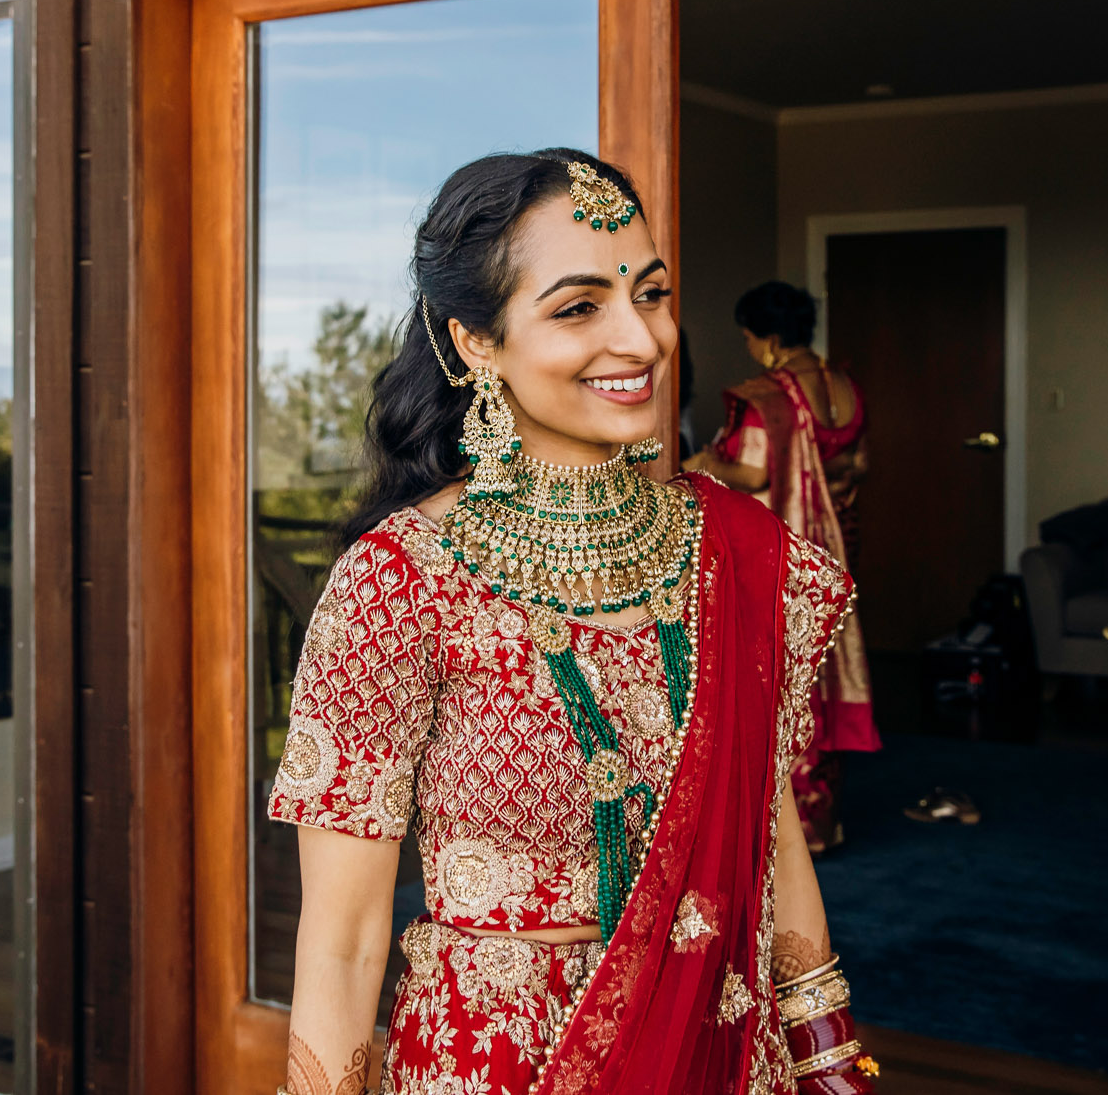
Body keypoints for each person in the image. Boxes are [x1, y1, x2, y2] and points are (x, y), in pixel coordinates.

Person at [269, 152, 880, 1095]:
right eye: (579, 306)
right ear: (475, 340)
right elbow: (346, 943)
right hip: (502, 1065)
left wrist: (829, 1060)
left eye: (652, 294)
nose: (639, 339)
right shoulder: (400, 582)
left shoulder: (740, 550)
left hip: (719, 1054)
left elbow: (775, 838)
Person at [681, 281, 880, 853]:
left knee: (782, 675)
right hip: (837, 541)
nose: (749, 349)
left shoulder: (770, 394)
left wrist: (698, 463)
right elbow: (857, 464)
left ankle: (788, 833)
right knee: (822, 663)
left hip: (782, 547)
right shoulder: (844, 386)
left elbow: (752, 474)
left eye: (748, 337)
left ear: (768, 337)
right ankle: (827, 819)